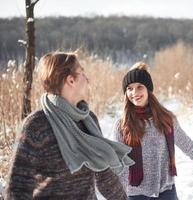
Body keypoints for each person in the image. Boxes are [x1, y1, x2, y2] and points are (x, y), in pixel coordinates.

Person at [4, 52, 134, 200]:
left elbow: (103, 174)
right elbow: (18, 187)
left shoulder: (88, 120)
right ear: (71, 80)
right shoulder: (37, 125)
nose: (87, 79)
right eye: (82, 73)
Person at [114, 62, 193, 200]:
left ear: (148, 90)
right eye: (129, 88)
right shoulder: (122, 125)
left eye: (139, 87)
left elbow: (187, 145)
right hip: (135, 193)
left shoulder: (166, 119)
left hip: (166, 191)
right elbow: (120, 163)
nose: (134, 93)